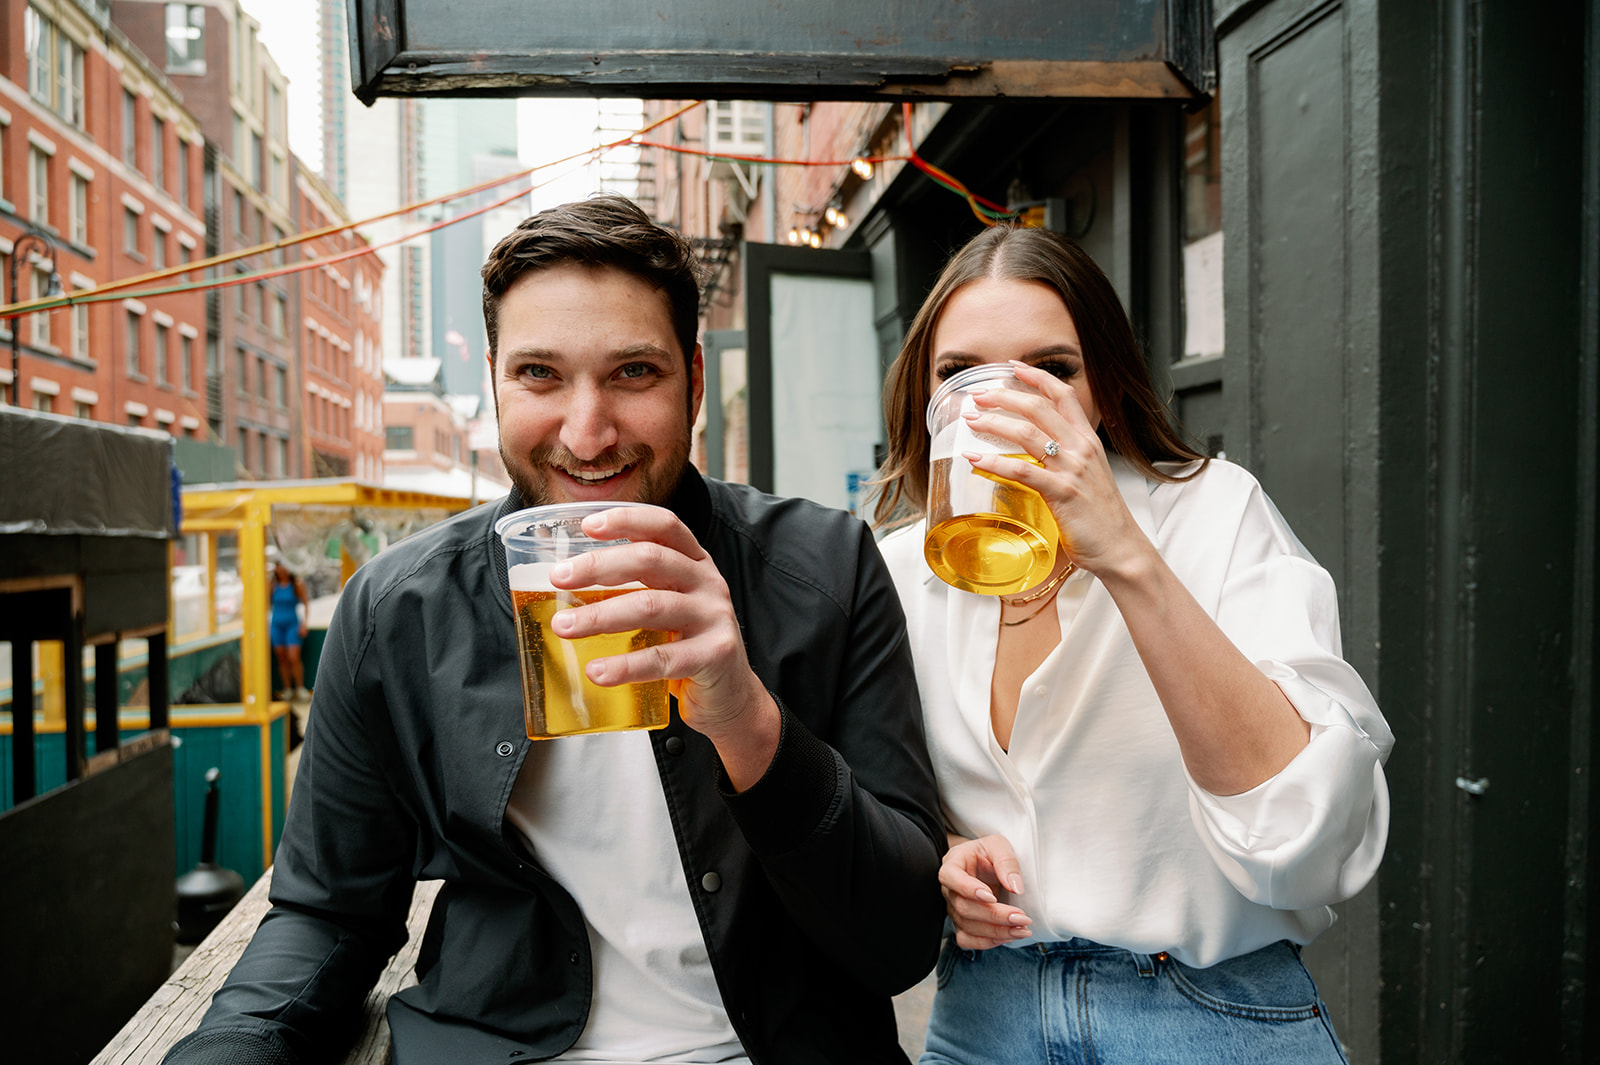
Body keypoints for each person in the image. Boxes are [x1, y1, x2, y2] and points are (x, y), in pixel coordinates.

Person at [162, 196, 945, 1065]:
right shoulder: (397, 612)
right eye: (540, 374)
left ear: (691, 377)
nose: (587, 432)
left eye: (634, 373)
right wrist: (231, 1046)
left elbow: (902, 940)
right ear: (494, 377)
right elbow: (329, 911)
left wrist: (746, 720)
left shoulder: (828, 567)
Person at [872, 224, 1393, 1063]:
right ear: (929, 402)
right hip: (987, 1011)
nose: (1004, 404)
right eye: (961, 374)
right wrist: (943, 858)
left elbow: (1307, 841)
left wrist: (1127, 559)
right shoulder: (905, 568)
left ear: (1104, 392)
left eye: (1052, 370)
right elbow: (882, 798)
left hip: (1203, 1011)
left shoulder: (1214, 512)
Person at [268, 560, 310, 701]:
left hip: (292, 624)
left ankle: (300, 688)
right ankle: (287, 689)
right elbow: (264, 603)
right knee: (281, 657)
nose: (282, 569)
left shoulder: (296, 584)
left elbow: (306, 603)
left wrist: (304, 624)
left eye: (285, 566)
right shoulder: (273, 586)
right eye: (279, 566)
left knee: (293, 656)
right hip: (276, 625)